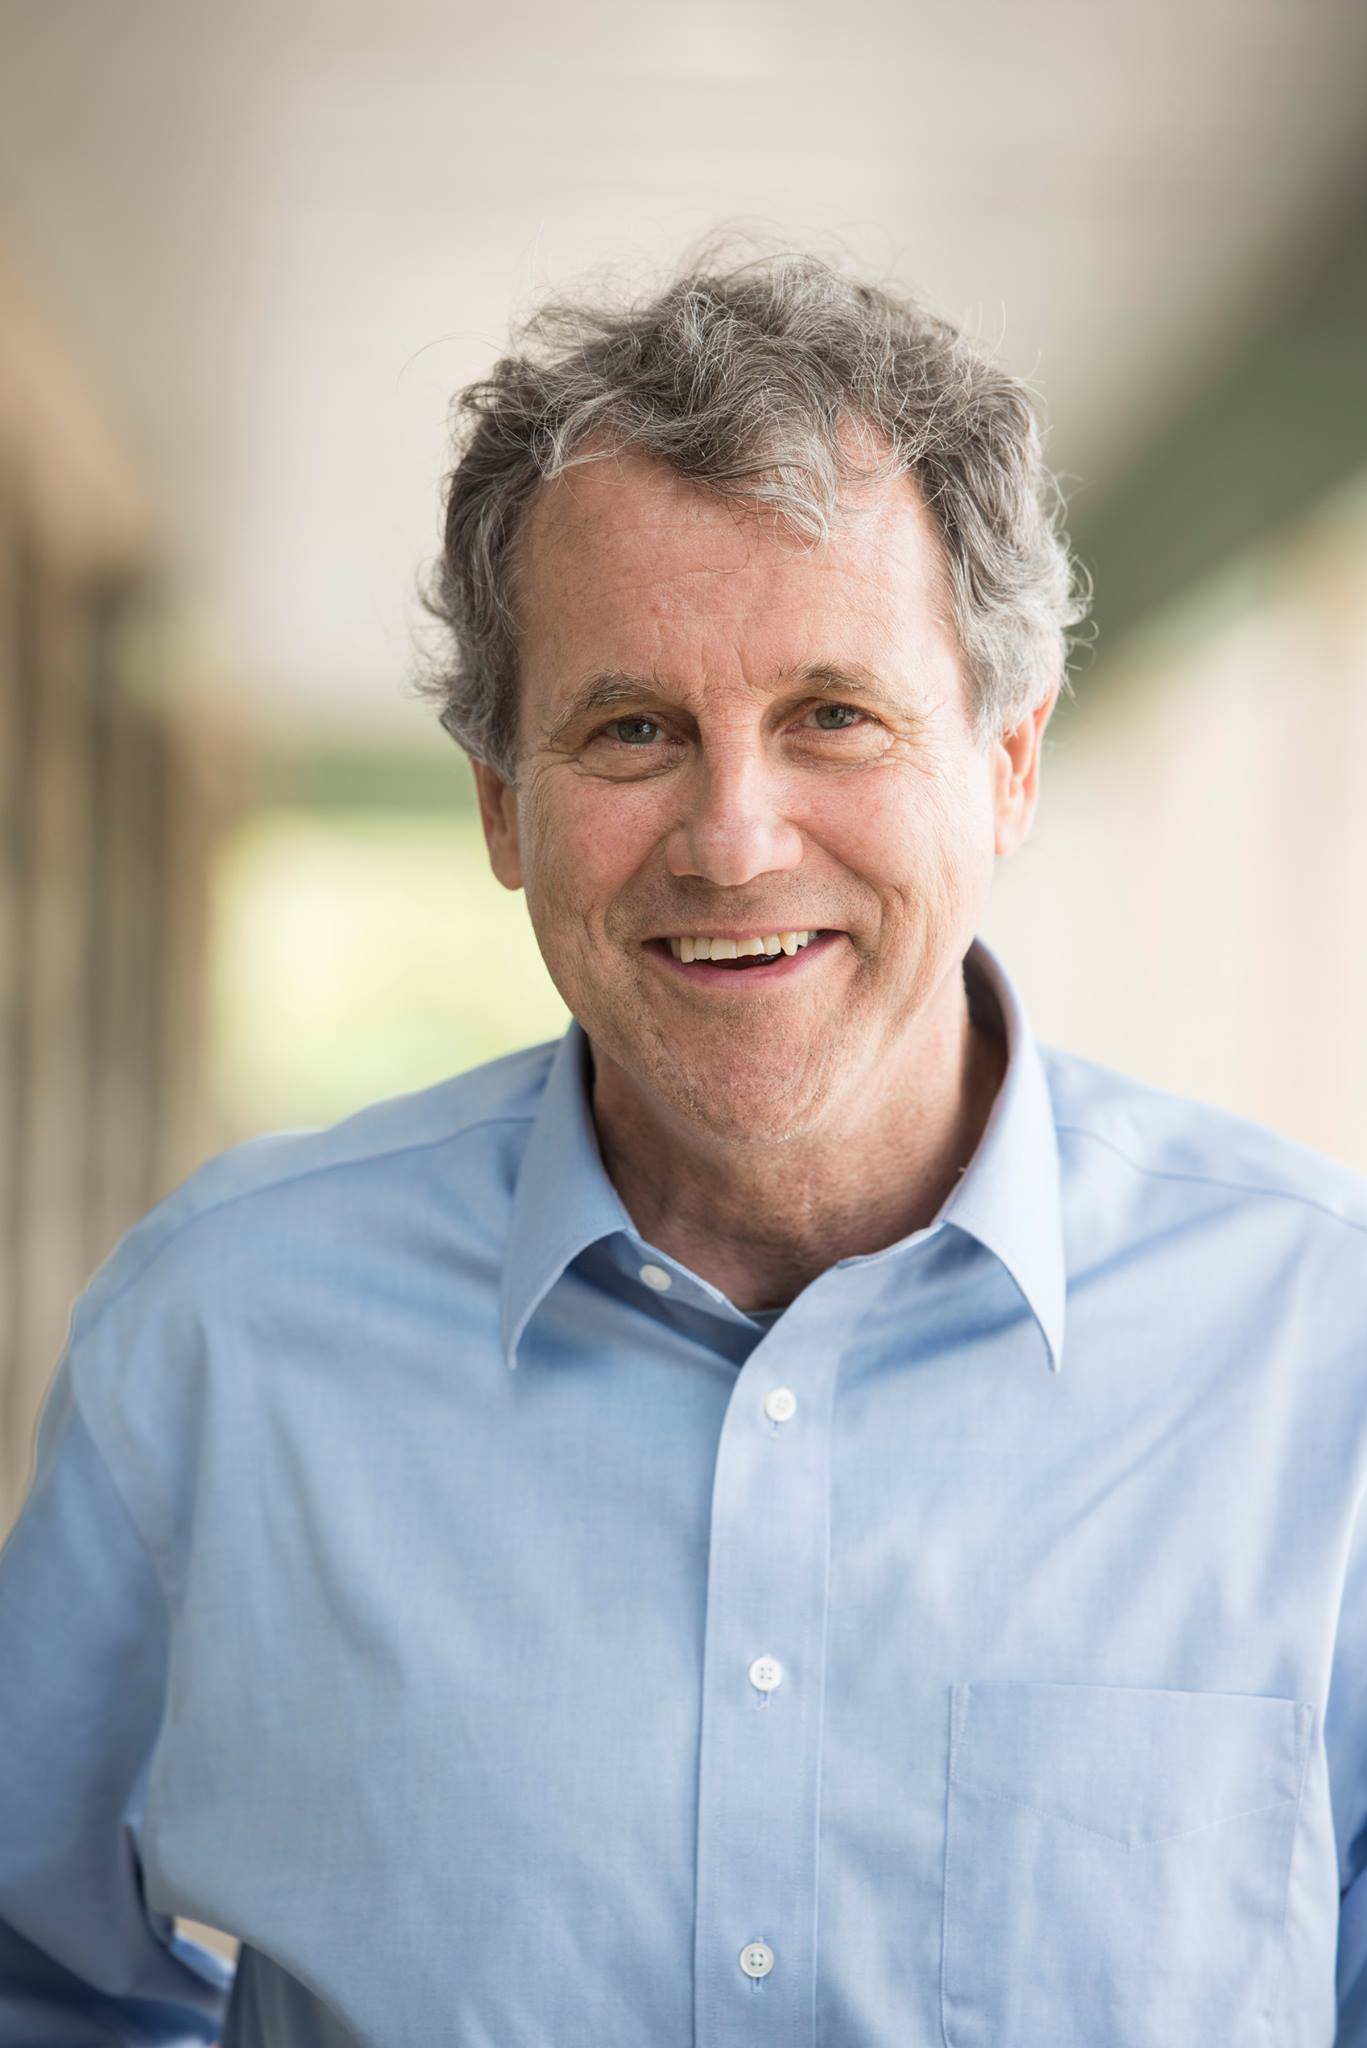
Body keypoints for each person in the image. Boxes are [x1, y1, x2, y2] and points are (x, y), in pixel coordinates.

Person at [2, 243, 1365, 2048]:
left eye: (835, 716)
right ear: (504, 806)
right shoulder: (217, 1335)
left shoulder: (1321, 1352)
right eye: (631, 728)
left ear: (1009, 761)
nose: (731, 839)